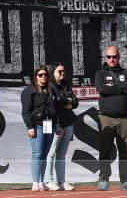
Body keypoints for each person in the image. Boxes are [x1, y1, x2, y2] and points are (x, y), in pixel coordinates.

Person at [94, 46, 127, 192]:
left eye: (114, 57)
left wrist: (112, 86)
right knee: (105, 150)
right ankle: (104, 179)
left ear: (119, 57)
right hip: (106, 118)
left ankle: (125, 180)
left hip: (125, 118)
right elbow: (102, 89)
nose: (112, 59)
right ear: (105, 58)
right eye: (109, 57)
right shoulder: (100, 74)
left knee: (125, 150)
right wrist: (121, 88)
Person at [20, 64, 59, 191]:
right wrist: (29, 126)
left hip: (49, 125)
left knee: (45, 154)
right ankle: (35, 182)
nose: (43, 77)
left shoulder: (51, 90)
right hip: (37, 125)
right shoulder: (29, 91)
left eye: (46, 75)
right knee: (37, 154)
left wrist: (57, 124)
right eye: (40, 75)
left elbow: (55, 109)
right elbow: (26, 111)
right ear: (36, 76)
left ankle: (42, 182)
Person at [44, 63, 78, 191]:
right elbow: (54, 103)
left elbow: (75, 102)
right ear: (53, 72)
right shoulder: (49, 85)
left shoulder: (67, 84)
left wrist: (69, 101)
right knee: (51, 152)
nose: (63, 73)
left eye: (64, 71)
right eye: (60, 71)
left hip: (68, 122)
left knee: (62, 153)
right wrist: (67, 101)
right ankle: (48, 180)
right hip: (55, 123)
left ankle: (61, 181)